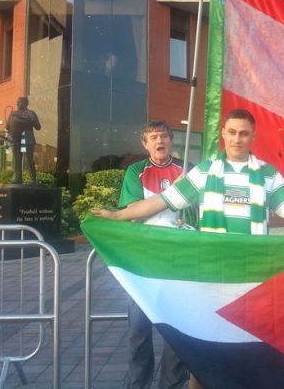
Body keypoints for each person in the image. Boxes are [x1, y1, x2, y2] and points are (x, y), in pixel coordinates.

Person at [93, 109, 284, 237]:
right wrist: (117, 214)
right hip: (213, 263)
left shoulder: (267, 173)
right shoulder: (205, 172)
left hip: (253, 264)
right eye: (232, 132)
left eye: (244, 133)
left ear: (253, 136)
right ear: (223, 134)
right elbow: (161, 201)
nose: (237, 139)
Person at [119, 121, 190, 389]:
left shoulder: (187, 170)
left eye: (163, 136)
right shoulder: (136, 171)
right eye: (152, 137)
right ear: (144, 143)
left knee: (176, 329)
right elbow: (134, 208)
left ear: (171, 140)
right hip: (144, 258)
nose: (158, 141)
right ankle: (138, 384)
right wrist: (174, 194)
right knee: (139, 328)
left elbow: (196, 208)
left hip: (179, 258)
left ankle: (170, 385)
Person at [6, 96, 41, 184]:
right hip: (15, 140)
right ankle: (18, 179)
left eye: (19, 102)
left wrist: (32, 122)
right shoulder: (13, 114)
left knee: (29, 159)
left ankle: (33, 179)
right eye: (17, 102)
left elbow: (38, 127)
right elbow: (7, 127)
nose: (17, 103)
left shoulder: (31, 113)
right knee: (17, 160)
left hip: (27, 140)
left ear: (25, 103)